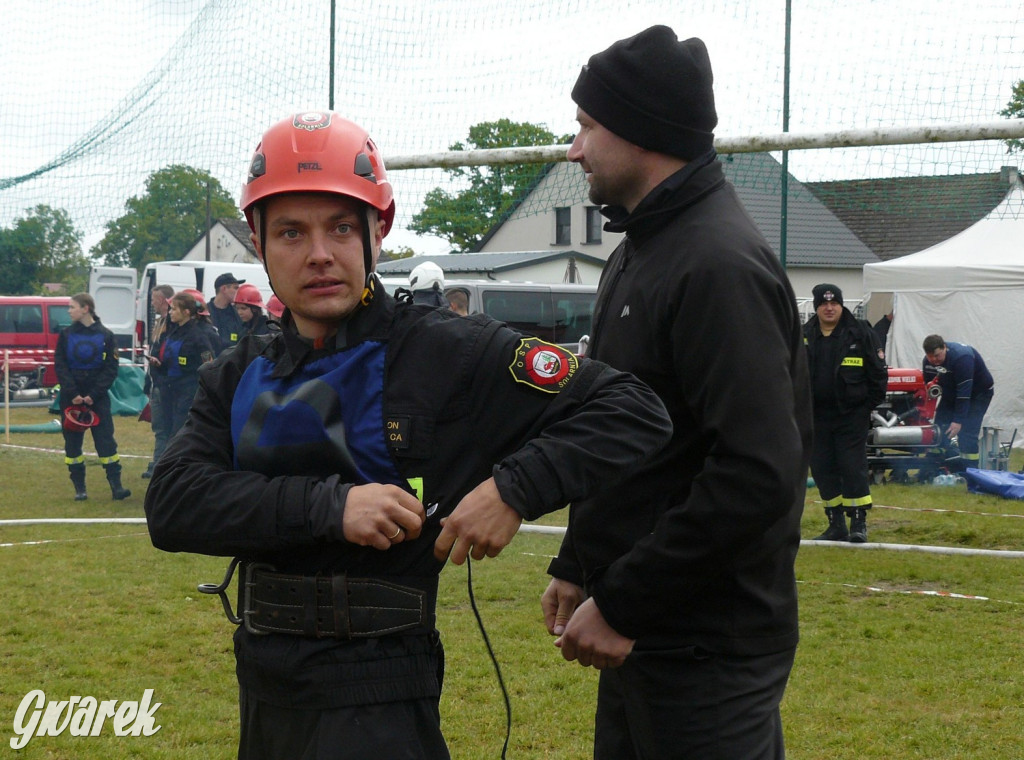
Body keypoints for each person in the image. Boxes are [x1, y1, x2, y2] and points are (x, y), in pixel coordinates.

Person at [144, 111, 673, 760]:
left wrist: (514, 488)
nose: (319, 253)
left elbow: (633, 411)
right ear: (257, 241)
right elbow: (172, 506)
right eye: (290, 231)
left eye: (341, 227)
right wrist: (331, 507)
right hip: (264, 687)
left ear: (380, 230)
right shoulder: (236, 373)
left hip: (380, 698)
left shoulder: (448, 353)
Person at [540, 26, 813, 760]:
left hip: (706, 646)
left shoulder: (717, 264)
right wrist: (578, 560)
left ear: (641, 129)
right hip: (644, 631)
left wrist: (625, 599)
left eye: (586, 127)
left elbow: (758, 473)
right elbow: (626, 444)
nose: (573, 150)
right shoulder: (638, 253)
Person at [803, 284, 888, 542]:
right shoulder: (804, 335)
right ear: (816, 307)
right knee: (822, 468)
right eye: (823, 304)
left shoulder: (860, 332)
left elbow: (878, 374)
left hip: (851, 415)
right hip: (816, 415)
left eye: (834, 304)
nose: (829, 308)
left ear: (841, 305)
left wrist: (865, 406)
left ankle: (858, 523)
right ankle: (836, 523)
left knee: (852, 467)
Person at [54, 293, 131, 501]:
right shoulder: (66, 334)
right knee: (72, 445)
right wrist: (74, 394)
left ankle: (117, 487)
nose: (69, 311)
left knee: (106, 443)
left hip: (97, 398)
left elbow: (111, 368)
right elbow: (60, 366)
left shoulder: (106, 335)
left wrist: (92, 395)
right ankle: (80, 489)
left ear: (85, 308)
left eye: (72, 307)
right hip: (71, 397)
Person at [146, 292, 216, 445]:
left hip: (187, 393)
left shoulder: (199, 337)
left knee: (177, 435)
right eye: (170, 309)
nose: (170, 312)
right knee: (166, 431)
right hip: (168, 390)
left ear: (186, 312)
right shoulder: (172, 333)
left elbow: (208, 366)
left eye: (174, 309)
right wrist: (159, 365)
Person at [922, 334, 994, 469]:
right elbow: (929, 389)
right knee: (939, 428)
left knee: (967, 432)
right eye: (930, 357)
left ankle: (970, 471)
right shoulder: (928, 362)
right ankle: (933, 467)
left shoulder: (962, 358)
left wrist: (958, 421)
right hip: (952, 393)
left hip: (978, 394)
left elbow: (964, 393)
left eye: (937, 356)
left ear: (945, 348)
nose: (934, 360)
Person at [142, 284, 174, 479]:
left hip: (165, 385)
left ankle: (159, 464)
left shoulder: (170, 324)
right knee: (159, 427)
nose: (152, 303)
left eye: (154, 299)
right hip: (156, 382)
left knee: (163, 427)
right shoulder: (160, 322)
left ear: (163, 300)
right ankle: (158, 461)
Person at [208, 272, 247, 353]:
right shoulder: (205, 312)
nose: (238, 292)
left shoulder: (237, 314)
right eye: (235, 288)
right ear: (224, 289)